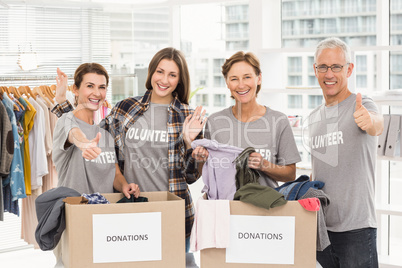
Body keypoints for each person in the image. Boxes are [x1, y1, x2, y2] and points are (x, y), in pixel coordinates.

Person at [51, 48, 206, 265]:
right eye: (160, 72)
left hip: (172, 213)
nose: (164, 80)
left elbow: (190, 176)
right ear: (151, 72)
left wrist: (190, 144)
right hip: (130, 211)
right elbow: (90, 132)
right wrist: (62, 103)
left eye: (172, 75)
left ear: (180, 80)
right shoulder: (126, 108)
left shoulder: (187, 116)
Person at [308, 37, 383, 268]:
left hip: (357, 230)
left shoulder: (362, 104)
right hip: (321, 231)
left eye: (336, 67)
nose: (329, 74)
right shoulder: (313, 117)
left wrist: (369, 120)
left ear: (349, 69)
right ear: (315, 70)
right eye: (323, 67)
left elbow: (377, 124)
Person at [193, 51, 301, 187]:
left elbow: (290, 174)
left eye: (247, 77)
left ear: (259, 78)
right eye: (234, 79)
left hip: (265, 207)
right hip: (225, 206)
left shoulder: (279, 121)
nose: (241, 85)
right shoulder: (215, 122)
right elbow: (206, 171)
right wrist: (201, 158)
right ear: (227, 83)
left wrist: (264, 165)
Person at [53, 63, 140, 197]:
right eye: (90, 86)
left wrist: (125, 186)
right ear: (75, 89)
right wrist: (84, 144)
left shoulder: (105, 134)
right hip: (76, 213)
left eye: (102, 87)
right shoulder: (65, 120)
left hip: (104, 213)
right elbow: (75, 133)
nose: (97, 93)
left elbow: (115, 174)